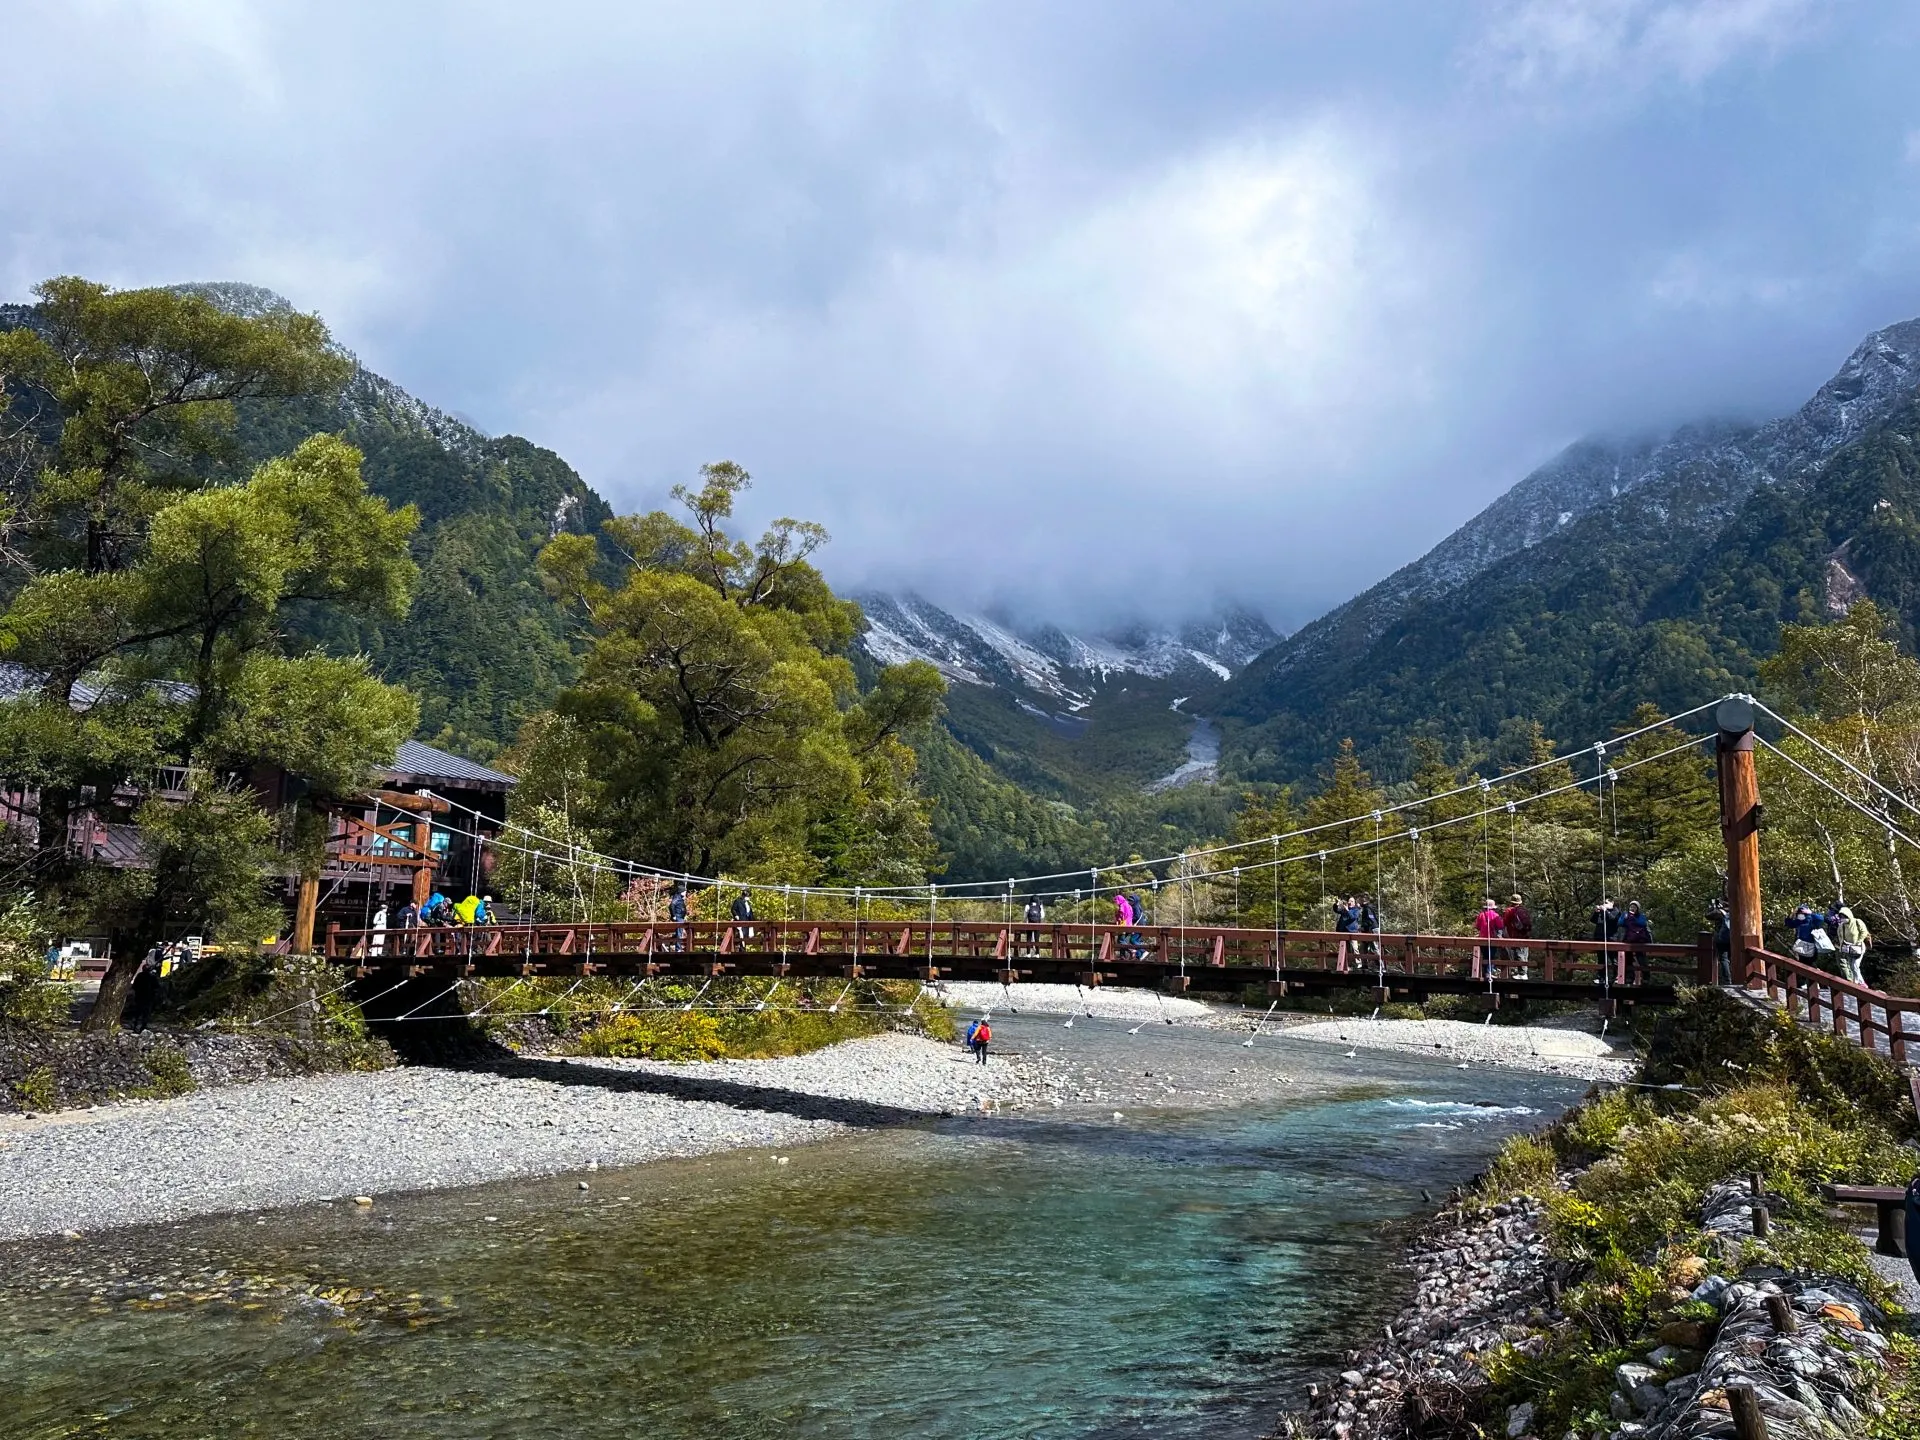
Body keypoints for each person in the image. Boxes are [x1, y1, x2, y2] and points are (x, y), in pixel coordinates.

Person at [1835, 905, 1872, 986]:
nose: (1843, 918)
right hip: (1848, 949)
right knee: (1851, 967)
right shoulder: (1841, 926)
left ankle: (1861, 983)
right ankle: (1856, 983)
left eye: (1844, 916)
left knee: (1855, 965)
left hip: (1858, 948)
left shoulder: (1857, 922)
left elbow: (1864, 932)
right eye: (1841, 916)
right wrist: (1842, 947)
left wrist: (1858, 941)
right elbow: (1840, 937)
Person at [127, 948, 161, 1032]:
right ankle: (143, 1026)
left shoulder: (140, 976)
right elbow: (157, 986)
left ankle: (135, 1025)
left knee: (138, 1011)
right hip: (148, 997)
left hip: (140, 996)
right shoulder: (152, 977)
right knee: (146, 1013)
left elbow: (134, 986)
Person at [1619, 901, 1653, 985]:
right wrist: (1626, 917)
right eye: (1631, 907)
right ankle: (1629, 977)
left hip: (1640, 942)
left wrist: (1632, 917)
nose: (1632, 908)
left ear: (1638, 908)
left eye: (1634, 907)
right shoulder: (1625, 915)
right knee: (1628, 960)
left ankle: (1645, 978)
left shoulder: (1641, 916)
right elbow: (1620, 923)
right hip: (1628, 941)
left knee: (1642, 960)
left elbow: (1642, 923)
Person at [1473, 897, 1506, 979]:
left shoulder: (1481, 915)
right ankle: (1489, 972)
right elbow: (1500, 926)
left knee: (1484, 956)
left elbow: (1477, 926)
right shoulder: (1495, 915)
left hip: (1482, 938)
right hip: (1492, 939)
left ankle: (1485, 972)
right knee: (1491, 955)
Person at [1502, 893, 1532, 979]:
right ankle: (1524, 972)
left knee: (1518, 953)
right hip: (1525, 934)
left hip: (1516, 935)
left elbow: (1505, 922)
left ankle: (1522, 974)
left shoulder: (1510, 910)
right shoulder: (1524, 910)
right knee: (1524, 953)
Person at [1708, 899, 1733, 984]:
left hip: (1723, 939)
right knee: (1736, 958)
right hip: (1735, 939)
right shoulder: (1734, 911)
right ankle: (1739, 979)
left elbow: (1708, 916)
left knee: (1724, 960)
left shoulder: (1719, 913)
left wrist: (1712, 907)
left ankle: (1727, 981)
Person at [670, 882, 689, 951]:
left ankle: (678, 947)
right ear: (681, 891)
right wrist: (673, 915)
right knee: (679, 933)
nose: (685, 893)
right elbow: (671, 905)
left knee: (680, 933)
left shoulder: (680, 898)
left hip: (681, 917)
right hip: (678, 918)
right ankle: (678, 948)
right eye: (684, 891)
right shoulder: (677, 898)